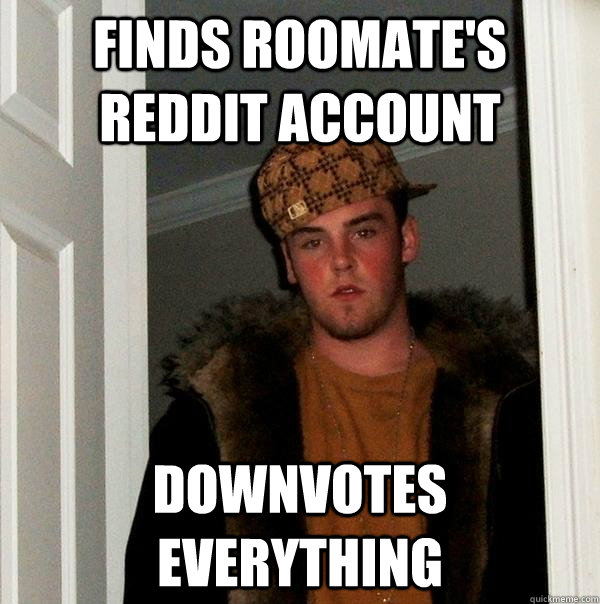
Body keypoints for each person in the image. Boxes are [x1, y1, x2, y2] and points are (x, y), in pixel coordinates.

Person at [124, 139, 543, 604]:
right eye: (313, 241)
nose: (340, 260)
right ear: (289, 263)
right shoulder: (210, 421)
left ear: (406, 240)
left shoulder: (513, 410)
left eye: (363, 232)